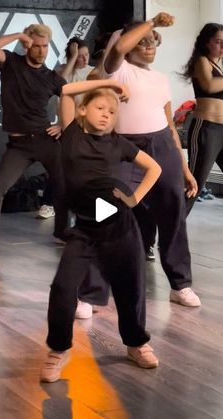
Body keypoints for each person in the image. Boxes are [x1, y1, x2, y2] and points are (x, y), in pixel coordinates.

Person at [40, 77, 162, 382]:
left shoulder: (118, 143)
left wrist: (133, 198)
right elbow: (66, 91)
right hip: (85, 224)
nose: (107, 113)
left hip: (118, 221)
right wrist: (109, 84)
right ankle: (58, 350)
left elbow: (154, 168)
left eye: (112, 110)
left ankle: (136, 343)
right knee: (63, 288)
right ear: (82, 111)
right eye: (100, 107)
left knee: (129, 286)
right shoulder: (70, 134)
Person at [102, 12, 201, 307]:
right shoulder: (116, 71)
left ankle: (180, 284)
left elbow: (170, 125)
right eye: (142, 42)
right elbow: (118, 48)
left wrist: (184, 168)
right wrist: (151, 24)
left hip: (161, 145)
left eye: (152, 43)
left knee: (173, 214)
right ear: (130, 44)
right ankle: (92, 287)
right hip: (124, 149)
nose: (148, 46)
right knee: (106, 212)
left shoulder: (160, 79)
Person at [0, 24, 68, 253]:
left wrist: (62, 124)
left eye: (45, 46)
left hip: (45, 139)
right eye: (36, 45)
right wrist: (18, 35)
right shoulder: (11, 62)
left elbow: (72, 99)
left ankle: (62, 232)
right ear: (27, 45)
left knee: (64, 182)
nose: (41, 51)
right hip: (19, 146)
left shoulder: (52, 78)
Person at [181, 23, 223, 214]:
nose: (222, 46)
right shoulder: (201, 61)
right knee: (195, 182)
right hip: (206, 127)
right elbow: (209, 86)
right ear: (207, 43)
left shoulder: (219, 67)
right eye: (218, 41)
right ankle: (172, 233)